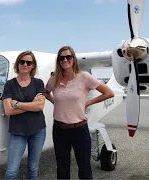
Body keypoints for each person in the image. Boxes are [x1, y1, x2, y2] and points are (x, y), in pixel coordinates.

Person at [45, 46, 114, 179]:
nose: (65, 60)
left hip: (79, 129)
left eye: (68, 57)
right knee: (62, 168)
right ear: (58, 60)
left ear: (73, 59)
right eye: (61, 57)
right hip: (59, 130)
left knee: (84, 168)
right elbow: (46, 92)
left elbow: (108, 93)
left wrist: (88, 103)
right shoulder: (54, 79)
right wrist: (56, 102)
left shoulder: (84, 77)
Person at [2, 50, 46, 180]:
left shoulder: (38, 83)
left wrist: (18, 104)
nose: (25, 64)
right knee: (11, 171)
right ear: (18, 64)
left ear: (32, 66)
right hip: (17, 132)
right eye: (22, 61)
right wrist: (31, 104)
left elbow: (39, 106)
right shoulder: (10, 84)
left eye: (28, 62)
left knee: (33, 168)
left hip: (38, 130)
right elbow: (8, 111)